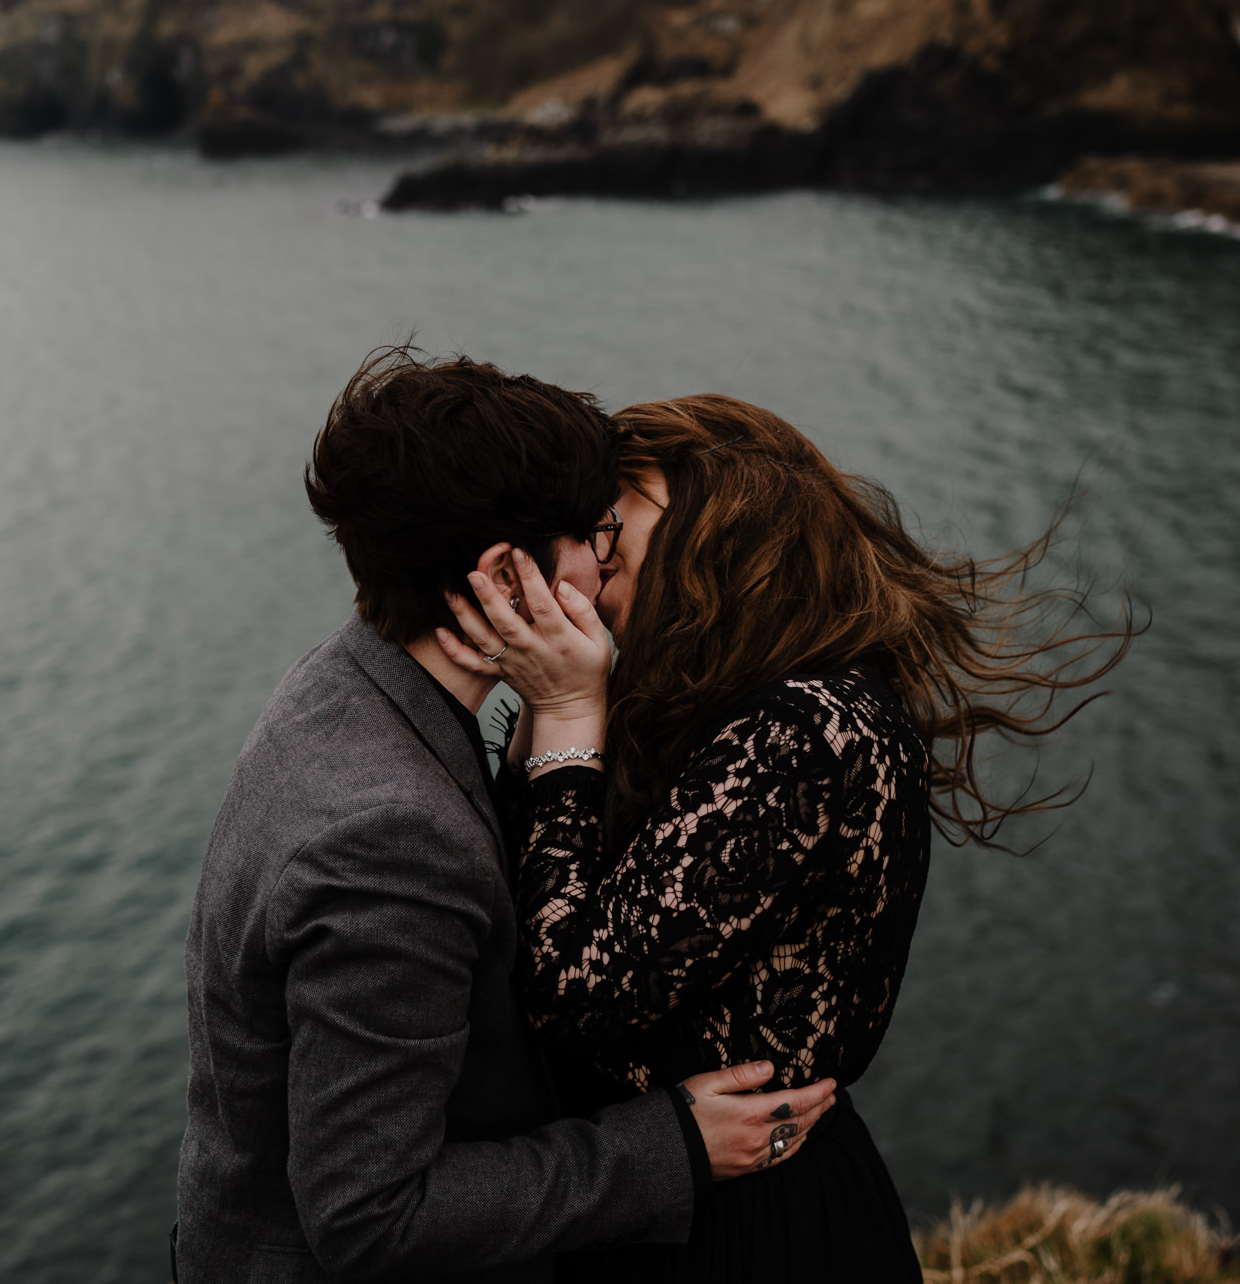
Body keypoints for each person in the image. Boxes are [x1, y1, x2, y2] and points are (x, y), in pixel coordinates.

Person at [439, 394, 1135, 1283]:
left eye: (609, 524)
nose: (590, 559)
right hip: (668, 1196)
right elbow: (521, 892)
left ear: (721, 527)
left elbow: (574, 992)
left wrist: (569, 711)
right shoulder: (750, 708)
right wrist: (556, 705)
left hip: (740, 1230)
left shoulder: (799, 734)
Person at [175, 356, 838, 1284]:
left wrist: (550, 708)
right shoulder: (390, 841)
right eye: (594, 535)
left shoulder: (340, 684)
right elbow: (374, 1216)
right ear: (504, 572)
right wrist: (673, 1145)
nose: (607, 566)